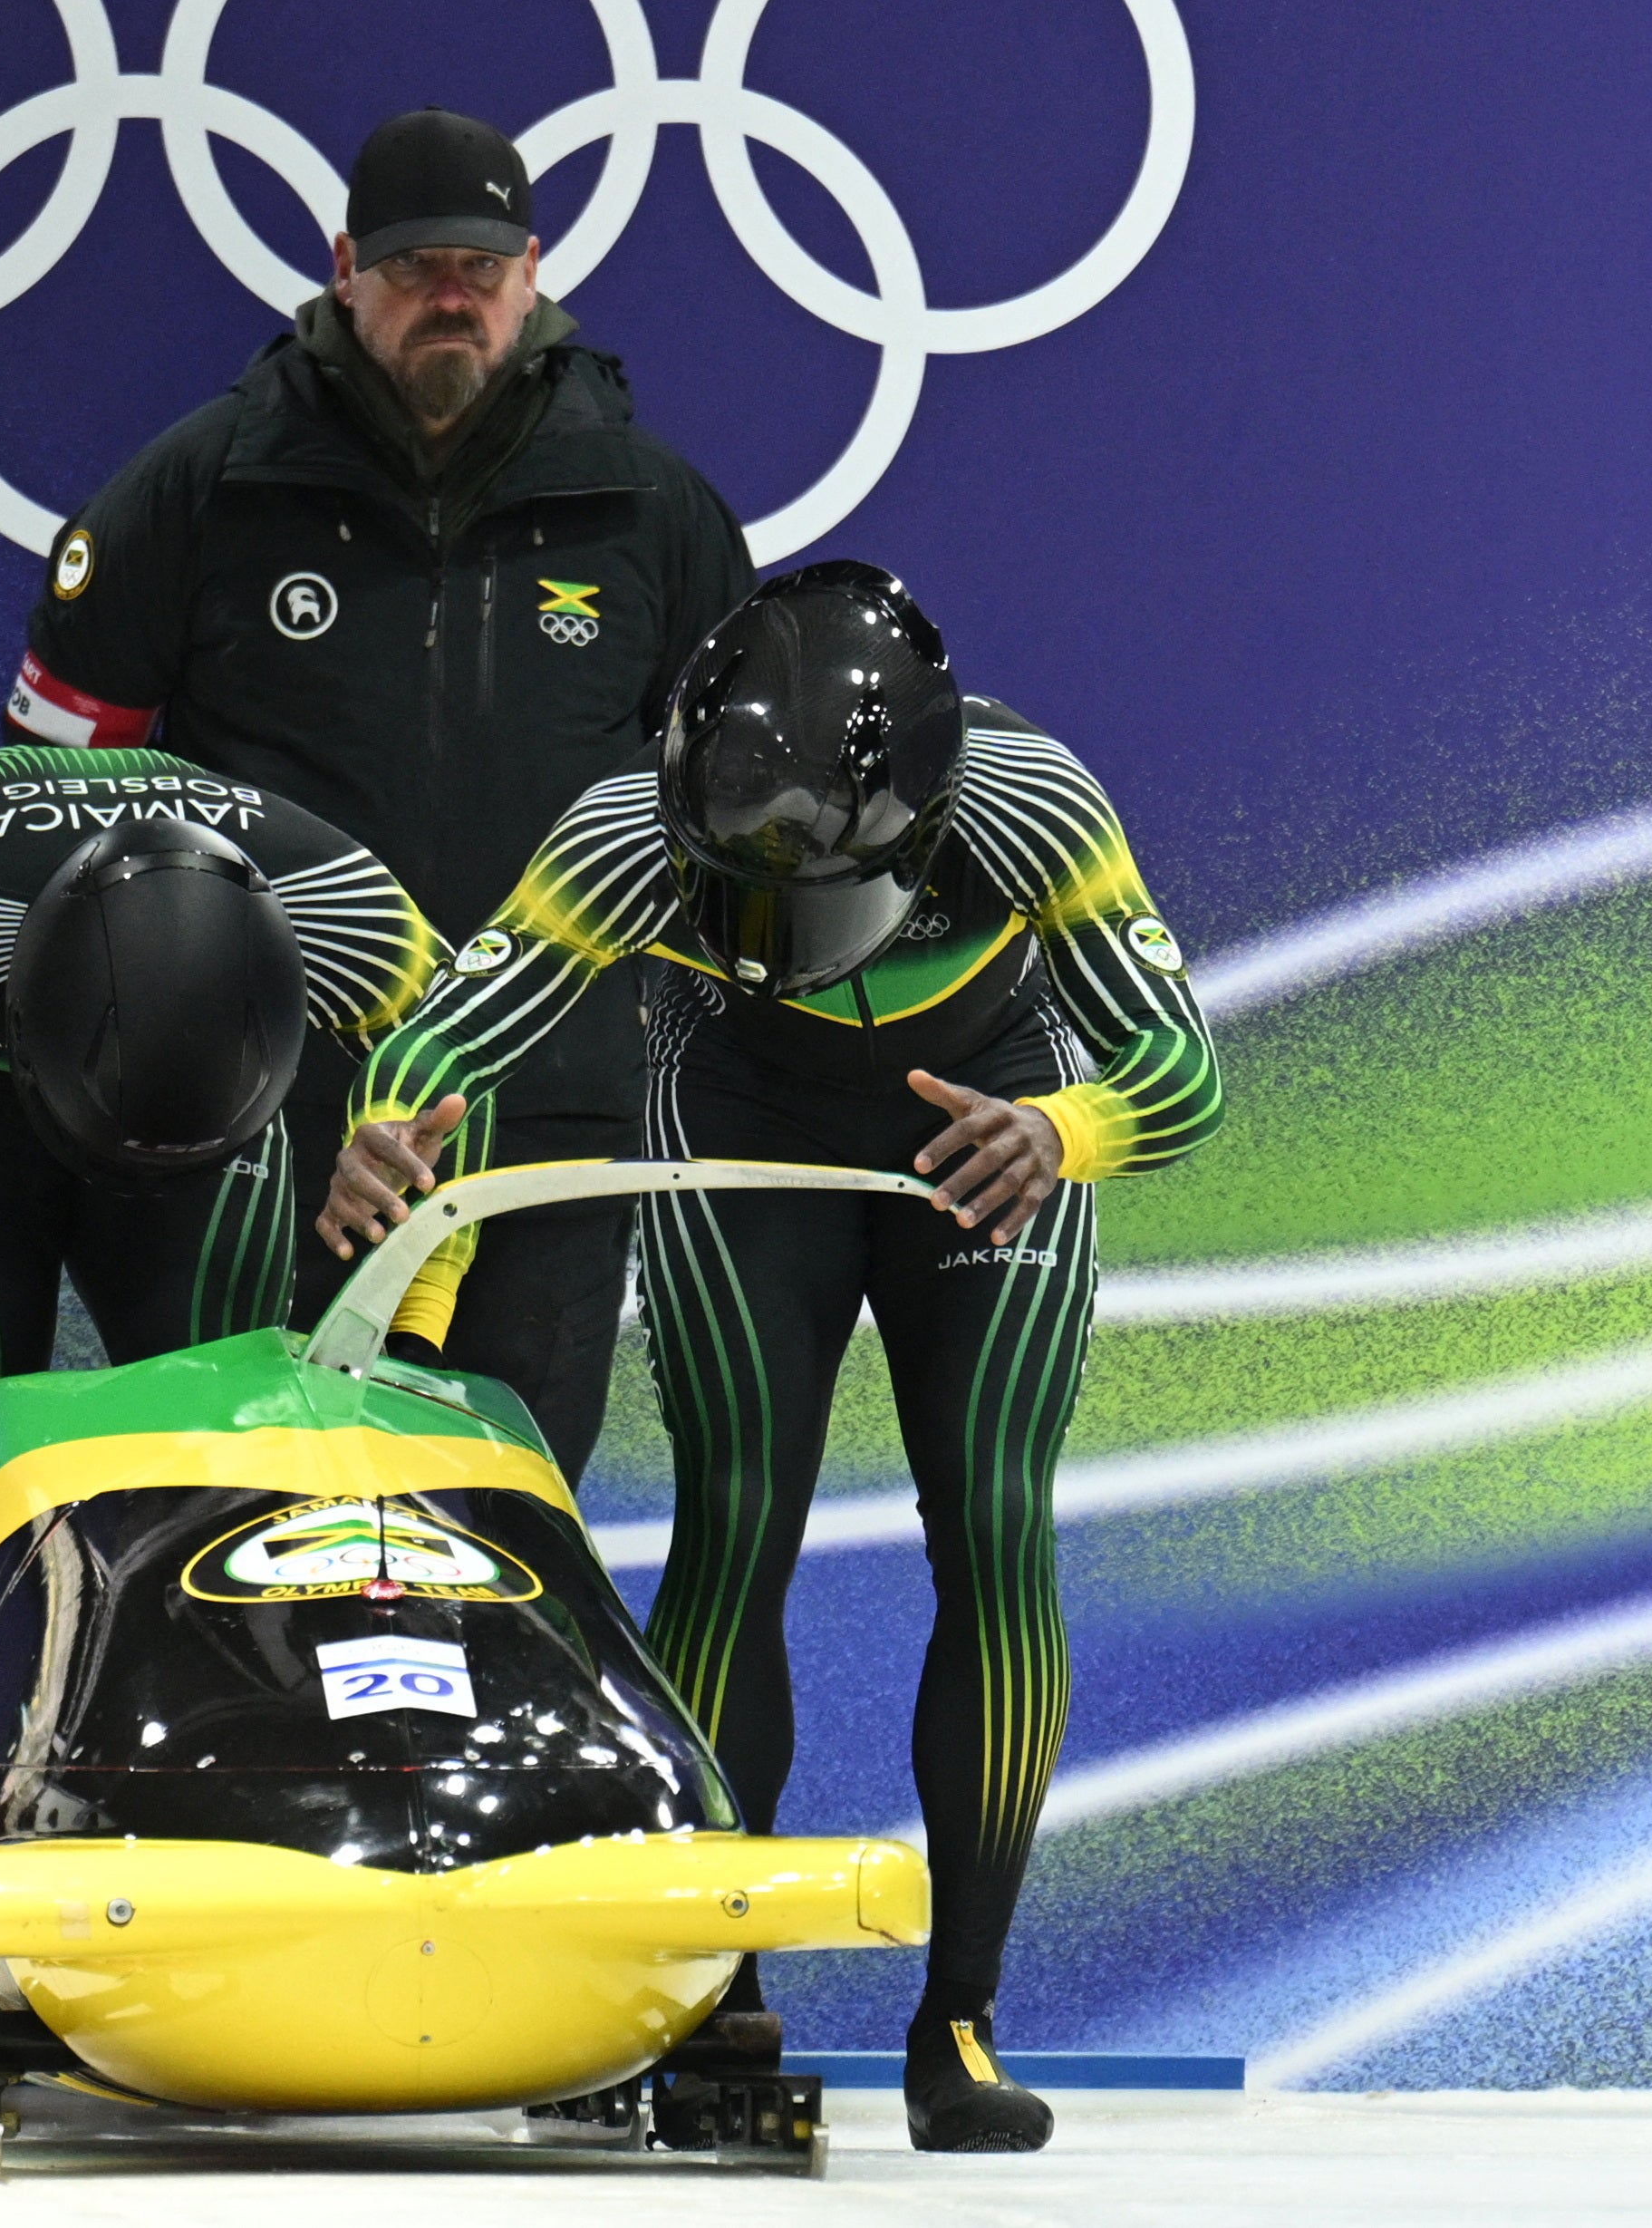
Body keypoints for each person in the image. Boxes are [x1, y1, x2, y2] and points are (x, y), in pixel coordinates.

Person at [320, 565, 1222, 2154]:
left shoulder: (1033, 801)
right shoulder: (619, 829)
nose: (770, 919)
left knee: (995, 1520)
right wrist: (387, 1131)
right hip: (745, 1113)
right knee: (738, 1518)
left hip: (984, 1129)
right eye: (734, 884)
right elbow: (441, 1031)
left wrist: (1061, 1130)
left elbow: (1183, 1066)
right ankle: (713, 1976)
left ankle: (960, 2009)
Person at [0, 106, 755, 1482]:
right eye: (414, 269)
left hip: (543, 1127)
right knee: (239, 1531)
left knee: (501, 1526)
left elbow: (728, 829)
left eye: (477, 264)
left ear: (531, 270)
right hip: (249, 1118)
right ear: (346, 268)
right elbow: (45, 792)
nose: (448, 297)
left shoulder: (652, 512)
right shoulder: (203, 486)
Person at [0, 743, 437, 1519]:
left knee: (228, 1430)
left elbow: (451, 1067)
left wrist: (420, 1329)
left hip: (194, 1117)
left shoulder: (347, 915)